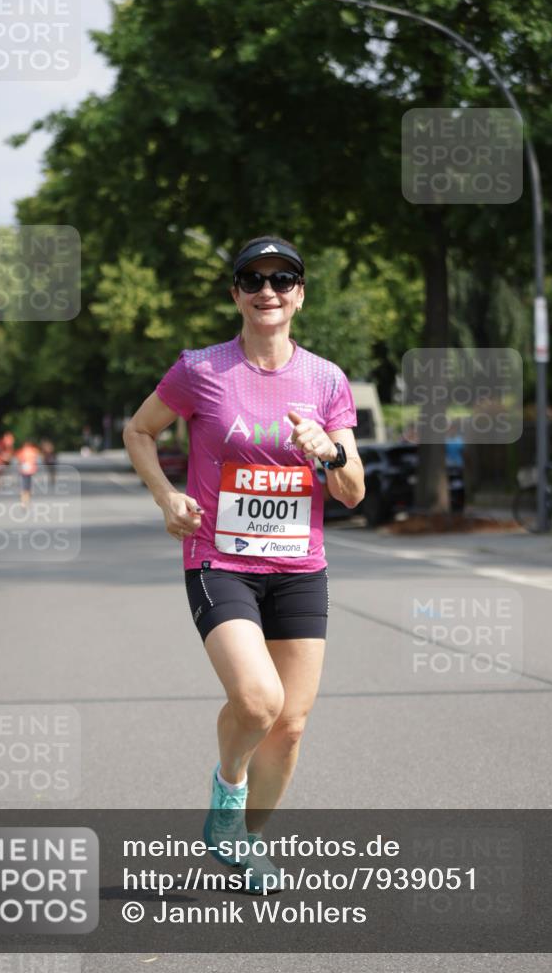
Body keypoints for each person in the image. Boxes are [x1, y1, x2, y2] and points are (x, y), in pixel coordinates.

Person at [123, 235, 364, 893]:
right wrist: (166, 495)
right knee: (258, 702)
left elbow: (353, 490)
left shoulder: (325, 380)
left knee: (288, 727)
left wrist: (330, 451)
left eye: (282, 279)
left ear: (299, 295)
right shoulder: (200, 370)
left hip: (298, 567)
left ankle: (244, 844)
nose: (267, 291)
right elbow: (138, 430)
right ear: (235, 294)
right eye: (252, 280)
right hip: (217, 559)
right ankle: (226, 795)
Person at [15, 440, 41, 506]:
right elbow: (35, 460)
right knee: (28, 487)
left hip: (23, 471)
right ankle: (27, 500)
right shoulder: (33, 450)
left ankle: (23, 501)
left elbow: (19, 460)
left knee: (23, 487)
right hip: (30, 471)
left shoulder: (21, 451)